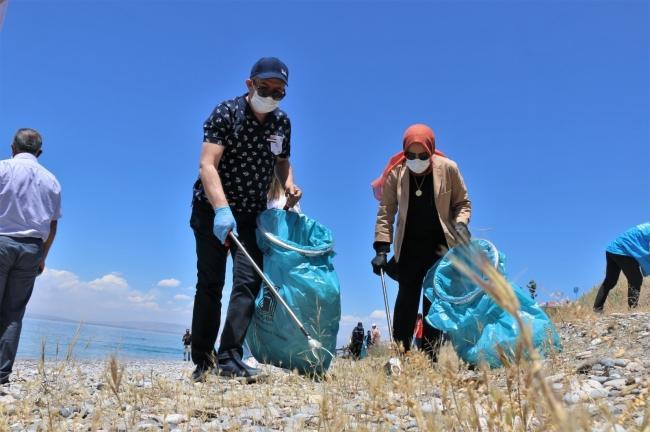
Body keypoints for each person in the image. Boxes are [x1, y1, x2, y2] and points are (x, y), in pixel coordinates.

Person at [189, 57, 302, 382]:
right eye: (265, 88)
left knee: (248, 282)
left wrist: (289, 183)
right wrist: (221, 209)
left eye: (278, 92)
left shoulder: (282, 123)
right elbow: (208, 164)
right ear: (249, 84)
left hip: (252, 213)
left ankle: (230, 357)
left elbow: (282, 162)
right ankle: (204, 361)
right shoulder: (226, 112)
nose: (271, 95)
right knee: (210, 283)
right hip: (212, 208)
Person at [371, 124, 471, 360]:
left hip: (440, 244)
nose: (417, 160)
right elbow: (386, 211)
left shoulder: (449, 169)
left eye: (423, 155)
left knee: (433, 299)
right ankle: (400, 353)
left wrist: (461, 224)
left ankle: (431, 356)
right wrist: (381, 248)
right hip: (409, 246)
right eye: (411, 155)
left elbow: (462, 203)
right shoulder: (397, 173)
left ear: (432, 151)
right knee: (406, 297)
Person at [0, 128, 61, 384]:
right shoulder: (51, 181)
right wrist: (43, 256)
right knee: (13, 313)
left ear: (13, 147)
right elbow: (53, 224)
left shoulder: (2, 169)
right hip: (32, 249)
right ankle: (2, 374)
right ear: (40, 152)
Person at [593, 223, 650, 313]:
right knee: (636, 280)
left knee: (610, 281)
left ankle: (597, 308)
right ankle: (632, 310)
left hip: (612, 249)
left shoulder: (647, 226)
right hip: (623, 251)